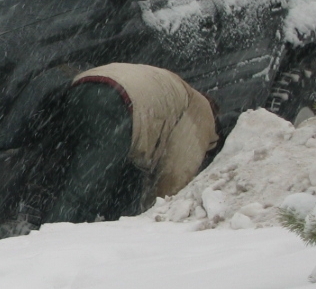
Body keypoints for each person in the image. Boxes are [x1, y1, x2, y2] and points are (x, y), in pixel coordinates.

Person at [43, 63, 219, 224]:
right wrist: (158, 213)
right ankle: (53, 242)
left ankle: (65, 232)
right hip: (115, 102)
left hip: (84, 87)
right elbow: (176, 173)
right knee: (86, 190)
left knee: (93, 181)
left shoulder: (176, 91)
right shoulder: (201, 111)